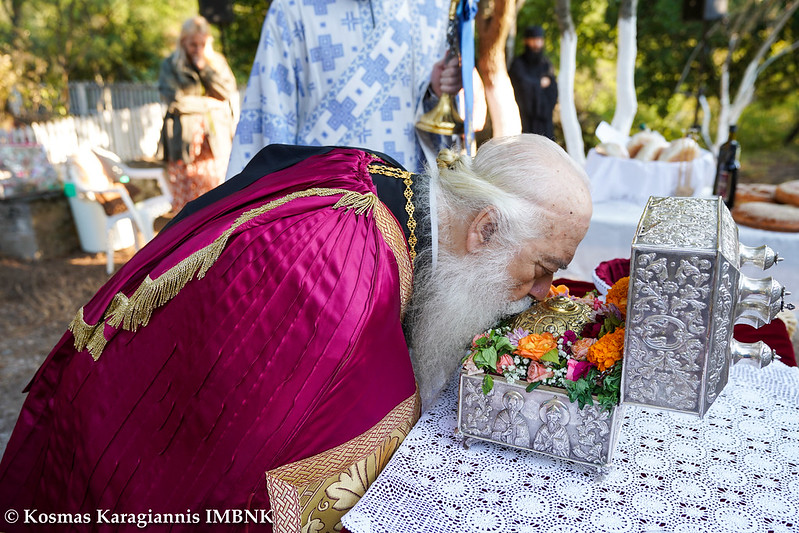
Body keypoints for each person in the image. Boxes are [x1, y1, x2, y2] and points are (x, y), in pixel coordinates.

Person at [0, 134, 591, 532]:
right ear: (483, 230)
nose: (541, 293)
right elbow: (244, 480)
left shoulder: (386, 186)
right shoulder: (334, 275)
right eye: (542, 269)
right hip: (127, 460)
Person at [225, 0, 462, 177]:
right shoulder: (292, 7)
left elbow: (442, 134)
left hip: (407, 205)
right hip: (320, 210)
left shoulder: (433, 7)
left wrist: (435, 91)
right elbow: (270, 115)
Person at [159, 15, 237, 212]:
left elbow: (226, 92)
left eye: (202, 44)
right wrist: (212, 104)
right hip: (182, 143)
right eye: (193, 44)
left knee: (217, 198)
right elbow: (175, 101)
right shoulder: (170, 65)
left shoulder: (217, 63)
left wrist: (205, 69)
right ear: (183, 41)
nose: (197, 48)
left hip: (215, 143)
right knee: (186, 204)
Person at [509, 25, 558, 139]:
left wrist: (535, 85)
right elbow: (521, 84)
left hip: (546, 121)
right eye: (534, 40)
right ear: (526, 41)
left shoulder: (546, 64)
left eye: (540, 40)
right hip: (526, 118)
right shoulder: (518, 64)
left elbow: (553, 89)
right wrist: (539, 84)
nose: (537, 44)